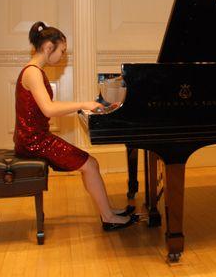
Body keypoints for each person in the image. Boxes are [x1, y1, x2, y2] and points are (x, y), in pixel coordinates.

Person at [13, 21, 137, 231]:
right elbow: (49, 110)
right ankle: (109, 218)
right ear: (48, 47)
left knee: (91, 164)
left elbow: (47, 107)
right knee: (90, 164)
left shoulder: (34, 70)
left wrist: (83, 105)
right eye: (62, 50)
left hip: (34, 138)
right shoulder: (33, 72)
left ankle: (108, 211)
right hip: (34, 141)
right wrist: (82, 104)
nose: (63, 55)